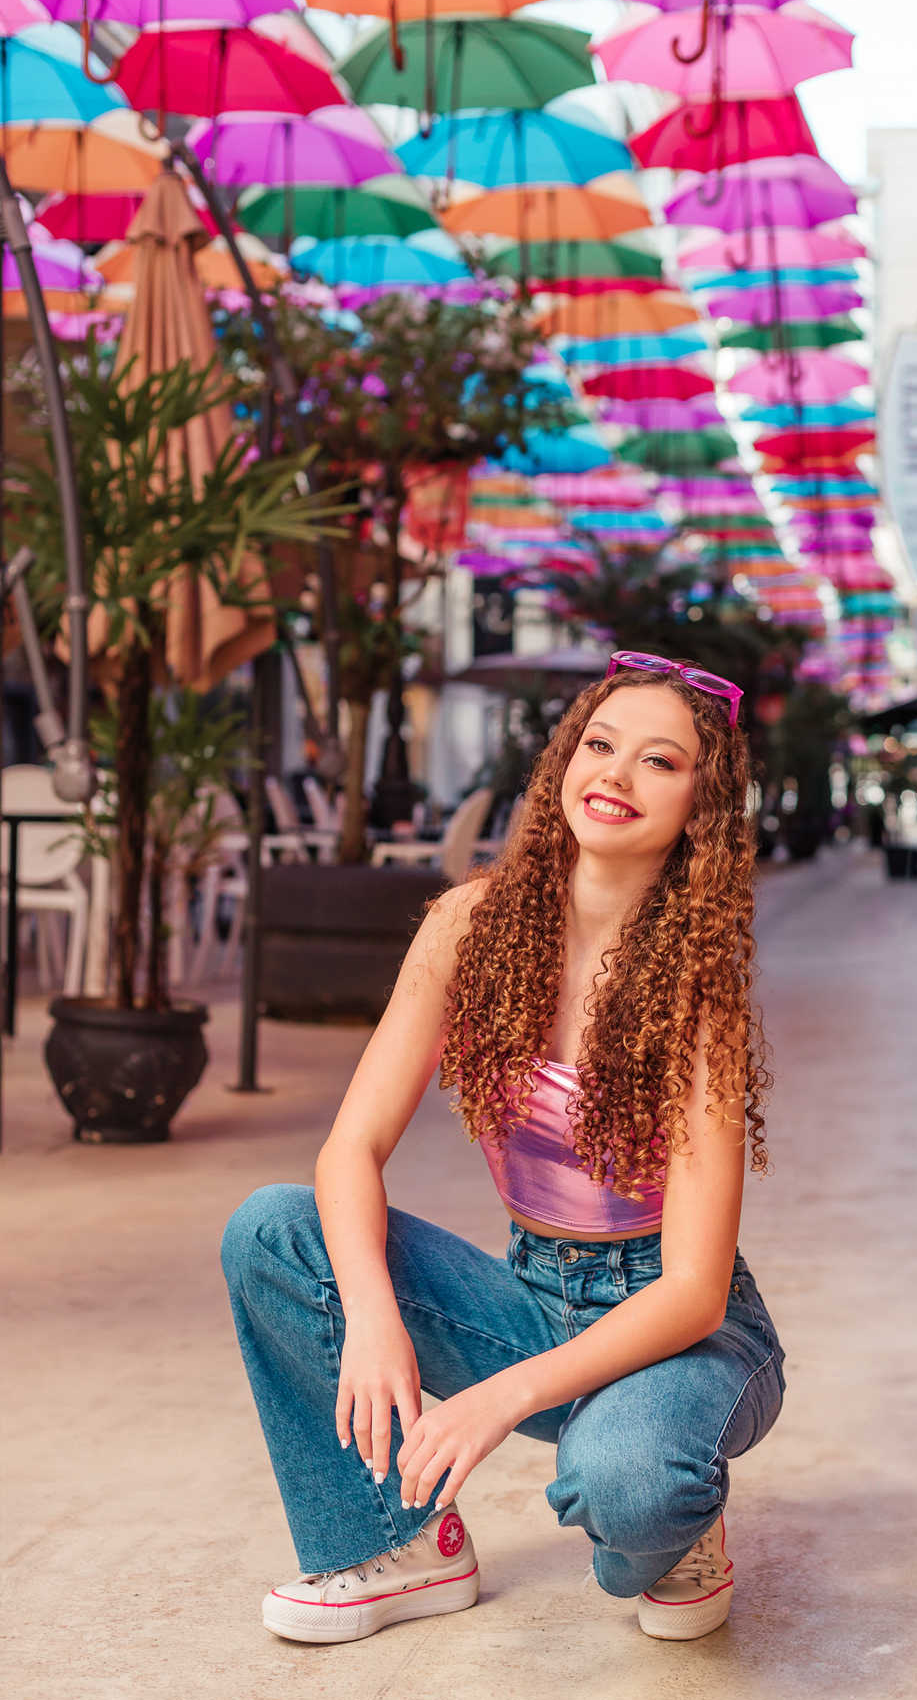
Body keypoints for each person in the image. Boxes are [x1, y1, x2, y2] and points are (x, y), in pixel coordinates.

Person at [222, 653, 786, 1646]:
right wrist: (370, 1319)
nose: (615, 776)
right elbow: (352, 1145)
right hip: (530, 1297)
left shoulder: (698, 995)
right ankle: (395, 1546)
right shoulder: (468, 926)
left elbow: (695, 1289)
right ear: (565, 759)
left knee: (626, 1482)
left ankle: (676, 1514)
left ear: (702, 807)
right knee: (273, 1229)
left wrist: (498, 1401)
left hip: (684, 1330)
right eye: (600, 745)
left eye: (660, 762)